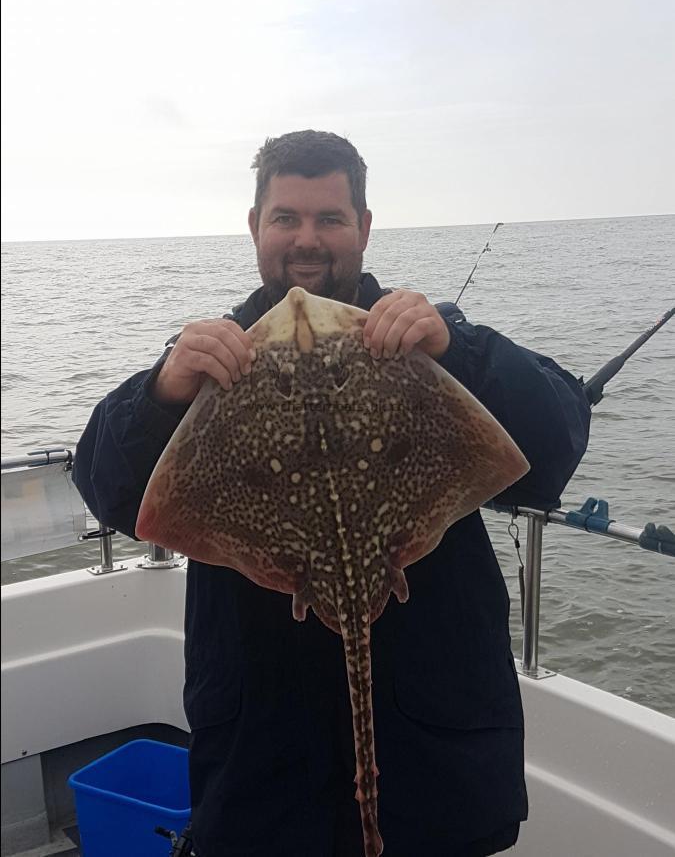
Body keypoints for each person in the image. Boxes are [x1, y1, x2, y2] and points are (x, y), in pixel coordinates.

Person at [73, 130, 591, 857]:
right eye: (286, 217)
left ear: (364, 228)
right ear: (256, 227)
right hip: (266, 765)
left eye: (329, 219)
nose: (306, 239)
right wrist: (161, 393)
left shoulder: (434, 339)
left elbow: (557, 441)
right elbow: (109, 492)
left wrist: (458, 350)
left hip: (433, 759)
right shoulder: (209, 362)